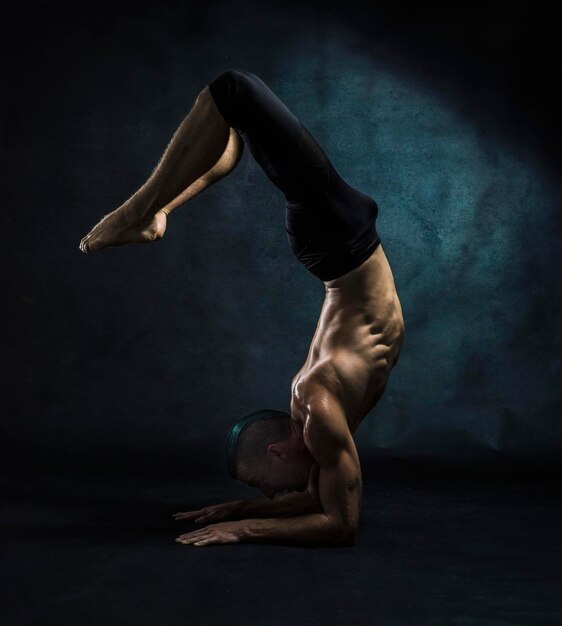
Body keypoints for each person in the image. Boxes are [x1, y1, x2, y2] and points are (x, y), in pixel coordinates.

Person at [79, 70, 405, 547]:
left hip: (340, 239)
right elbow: (329, 511)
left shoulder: (317, 409)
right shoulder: (318, 419)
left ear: (277, 452)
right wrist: (240, 510)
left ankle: (138, 213)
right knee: (235, 123)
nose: (272, 494)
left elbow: (339, 524)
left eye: (261, 484)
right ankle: (161, 212)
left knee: (234, 91)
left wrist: (245, 527)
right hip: (340, 244)